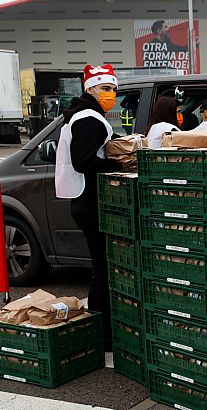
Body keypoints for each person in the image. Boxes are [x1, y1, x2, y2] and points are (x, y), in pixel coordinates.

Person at [55, 63, 124, 350]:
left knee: (102, 268)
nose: (111, 94)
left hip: (86, 200)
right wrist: (117, 165)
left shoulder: (85, 114)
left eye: (114, 90)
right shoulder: (87, 118)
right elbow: (84, 160)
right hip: (89, 199)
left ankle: (104, 330)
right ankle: (103, 334)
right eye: (106, 88)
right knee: (102, 270)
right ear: (91, 89)